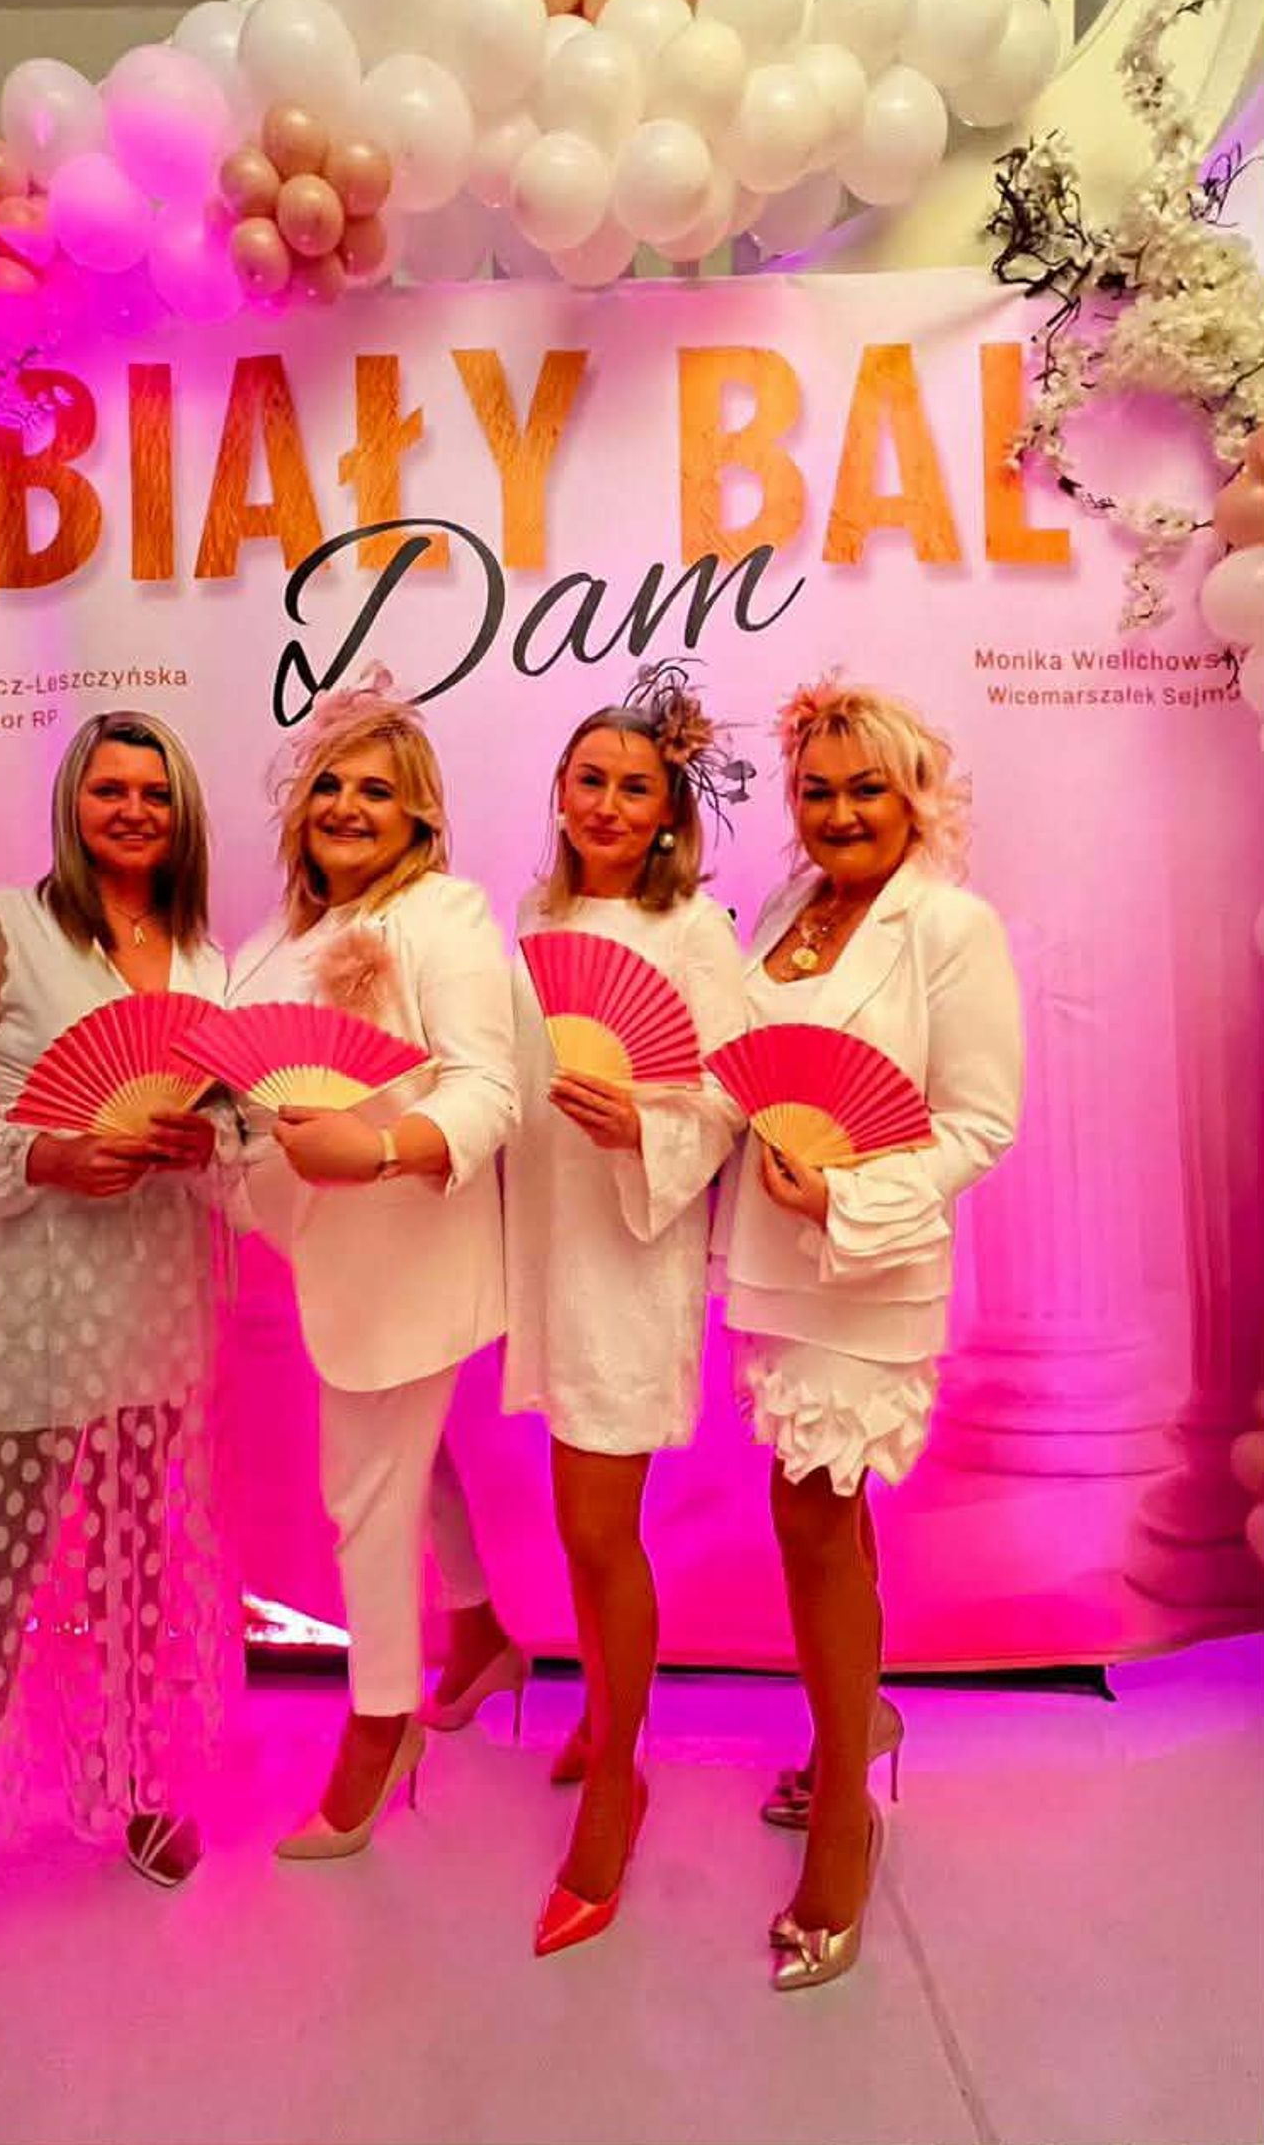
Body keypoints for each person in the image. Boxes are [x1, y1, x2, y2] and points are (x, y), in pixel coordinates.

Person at [0, 712, 228, 2098]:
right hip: (38, 1297)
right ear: (72, 804)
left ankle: (139, 1784)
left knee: (143, 1565)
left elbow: (229, 1121)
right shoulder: (3, 926)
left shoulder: (202, 956)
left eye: (154, 791)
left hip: (159, 1293)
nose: (132, 809)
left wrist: (204, 1139)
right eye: (109, 788)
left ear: (180, 810)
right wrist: (43, 1151)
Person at [715, 678, 1022, 1991]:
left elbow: (978, 1123)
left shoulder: (949, 925)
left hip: (865, 1265)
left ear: (915, 796)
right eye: (817, 790)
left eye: (866, 790)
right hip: (773, 1263)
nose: (839, 813)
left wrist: (846, 1194)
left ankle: (845, 1809)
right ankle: (860, 1721)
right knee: (820, 1516)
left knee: (812, 1518)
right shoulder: (787, 910)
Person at [224, 669, 516, 1857]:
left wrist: (383, 1147)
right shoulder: (277, 937)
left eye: (378, 791)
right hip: (314, 1254)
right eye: (330, 785)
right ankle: (480, 1632)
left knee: (365, 1494)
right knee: (410, 1458)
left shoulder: (445, 918)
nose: (348, 806)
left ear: (420, 818)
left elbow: (488, 1091)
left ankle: (379, 1720)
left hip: (408, 1255)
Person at [503, 666, 747, 1955]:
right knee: (574, 1523)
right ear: (560, 792)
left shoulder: (695, 935)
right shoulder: (534, 920)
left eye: (633, 788)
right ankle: (603, 1711)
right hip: (553, 1245)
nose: (605, 802)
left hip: (631, 1251)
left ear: (668, 816)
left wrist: (642, 1124)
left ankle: (619, 1772)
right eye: (589, 779)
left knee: (600, 1532)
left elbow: (729, 1098)